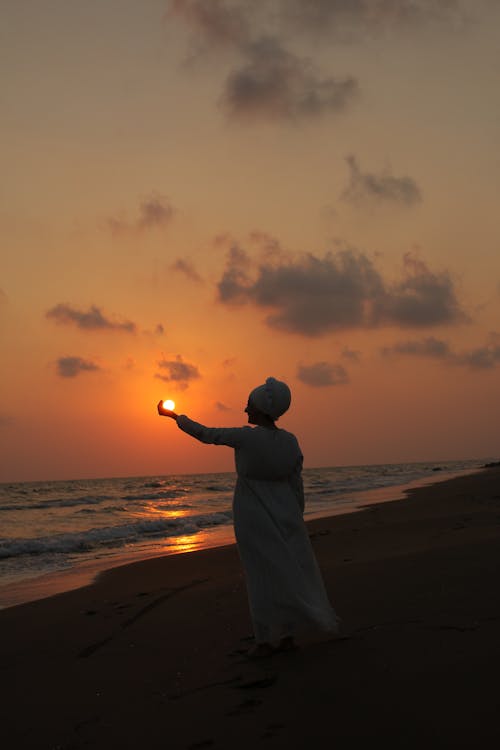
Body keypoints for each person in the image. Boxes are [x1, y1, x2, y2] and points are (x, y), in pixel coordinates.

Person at [157, 376, 338, 657]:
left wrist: (174, 417)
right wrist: (296, 515)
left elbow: (206, 434)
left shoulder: (246, 437)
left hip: (252, 511)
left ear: (260, 409)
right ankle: (287, 635)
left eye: (248, 405)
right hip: (287, 511)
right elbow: (296, 482)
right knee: (286, 570)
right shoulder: (290, 441)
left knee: (261, 574)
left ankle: (265, 640)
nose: (245, 410)